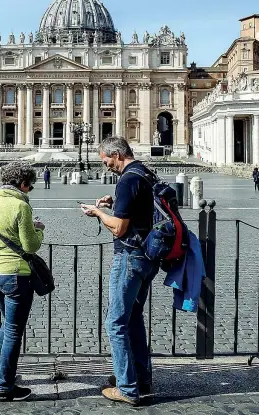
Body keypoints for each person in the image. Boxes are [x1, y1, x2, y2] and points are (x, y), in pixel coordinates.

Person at [79, 136, 159, 406]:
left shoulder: (127, 179)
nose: (106, 167)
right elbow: (140, 211)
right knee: (133, 316)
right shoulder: (145, 173)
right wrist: (115, 204)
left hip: (130, 256)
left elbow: (119, 228)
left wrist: (98, 213)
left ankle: (127, 388)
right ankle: (140, 377)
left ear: (117, 155)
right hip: (149, 256)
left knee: (115, 322)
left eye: (106, 161)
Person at [0, 162, 45, 402]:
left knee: (7, 325)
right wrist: (39, 230)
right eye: (30, 186)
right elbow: (31, 245)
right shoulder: (20, 205)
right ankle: (5, 387)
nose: (30, 190)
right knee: (14, 330)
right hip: (16, 274)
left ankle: (0, 375)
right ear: (23, 183)